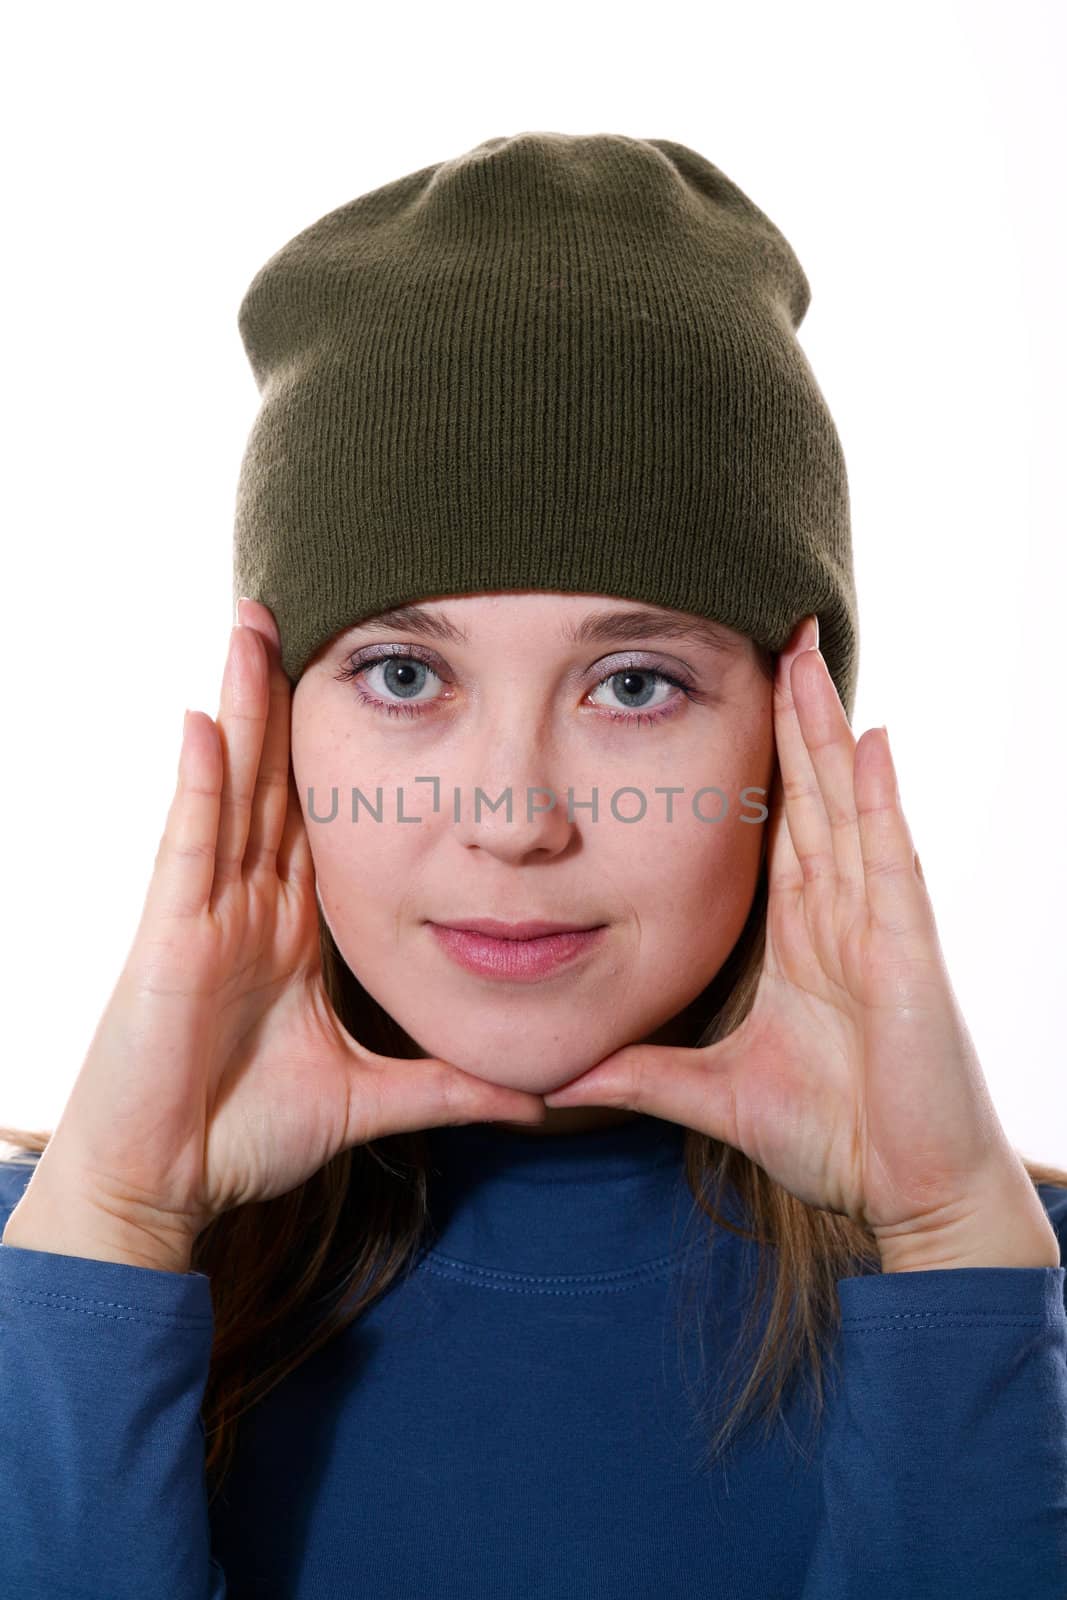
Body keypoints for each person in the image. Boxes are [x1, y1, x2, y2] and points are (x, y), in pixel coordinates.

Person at [1, 131, 1065, 1600]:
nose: (513, 816)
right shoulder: (58, 1276)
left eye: (633, 684)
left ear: (793, 738)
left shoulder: (1007, 1297)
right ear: (275, 729)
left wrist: (951, 1249)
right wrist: (112, 1230)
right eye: (398, 674)